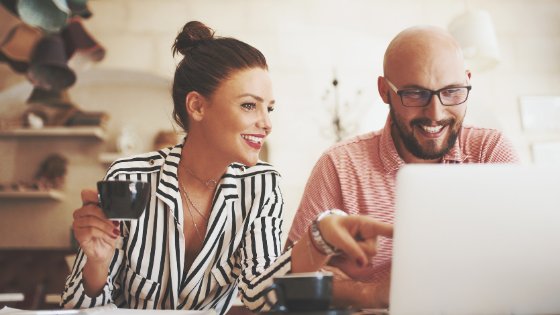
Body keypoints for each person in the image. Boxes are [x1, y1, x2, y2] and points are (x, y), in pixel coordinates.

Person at [61, 21, 393, 314]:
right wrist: (98, 260)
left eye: (269, 109)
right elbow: (78, 307)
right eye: (249, 105)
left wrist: (318, 238)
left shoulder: (261, 186)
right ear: (197, 106)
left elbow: (259, 293)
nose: (265, 124)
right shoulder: (130, 177)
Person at [287, 25, 520, 309]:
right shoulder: (339, 165)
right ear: (385, 91)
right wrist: (369, 293)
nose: (435, 114)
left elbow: (521, 259)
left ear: (468, 81)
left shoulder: (489, 152)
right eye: (415, 94)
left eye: (451, 91)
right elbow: (293, 282)